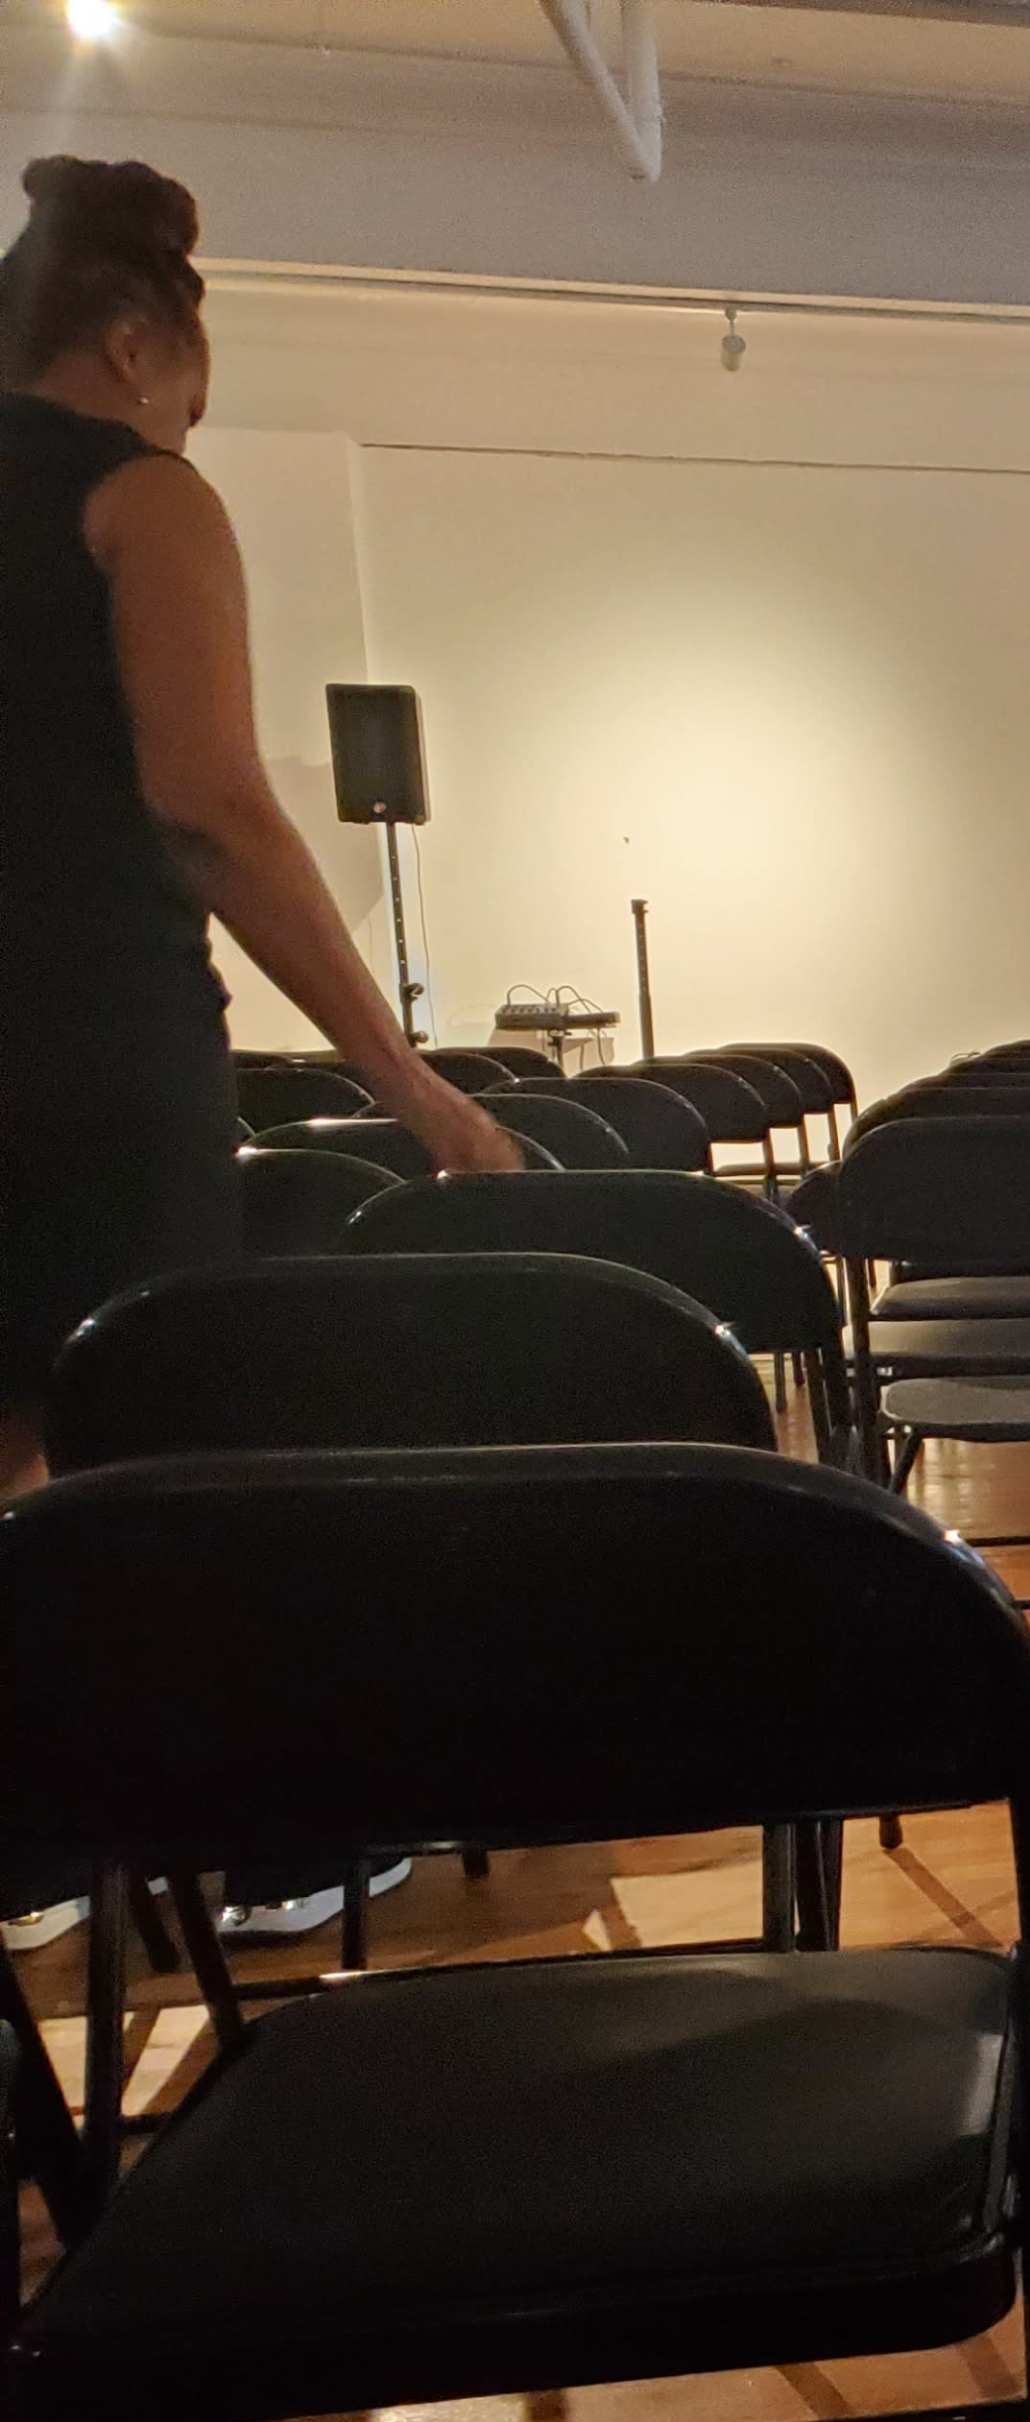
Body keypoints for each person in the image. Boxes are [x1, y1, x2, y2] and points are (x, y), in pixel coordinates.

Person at [1, 157, 515, 1948]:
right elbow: (212, 806)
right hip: (92, 1052)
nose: (189, 421)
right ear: (137, 340)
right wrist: (412, 1079)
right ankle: (266, 1839)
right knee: (163, 1450)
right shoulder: (141, 501)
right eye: (192, 391)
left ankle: (38, 1856)